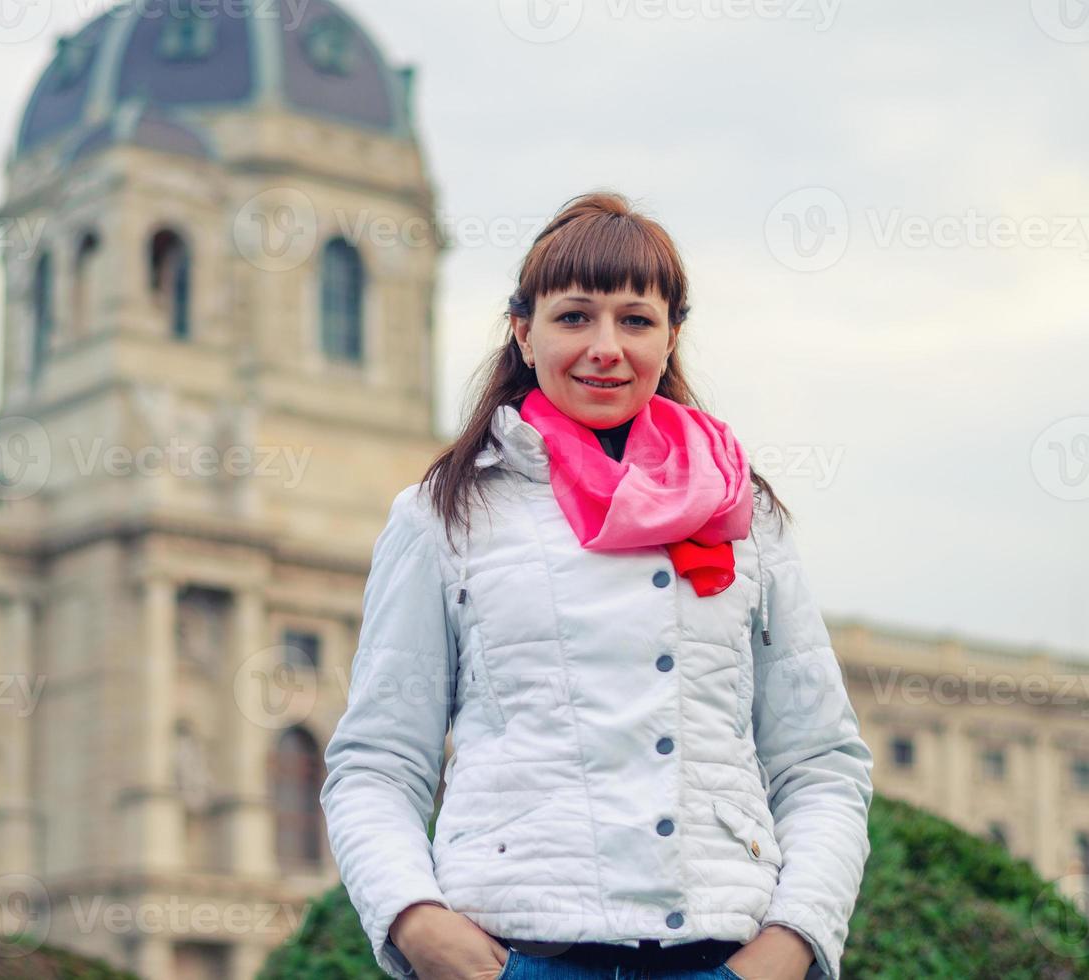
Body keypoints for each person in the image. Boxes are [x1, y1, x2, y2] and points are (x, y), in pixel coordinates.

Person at [319, 191, 873, 980]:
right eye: (574, 316)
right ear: (523, 329)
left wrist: (790, 946)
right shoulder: (442, 514)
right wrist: (418, 924)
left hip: (719, 959)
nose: (605, 347)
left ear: (672, 333)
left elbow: (821, 763)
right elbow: (376, 763)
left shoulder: (745, 512)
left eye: (636, 320)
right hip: (520, 958)